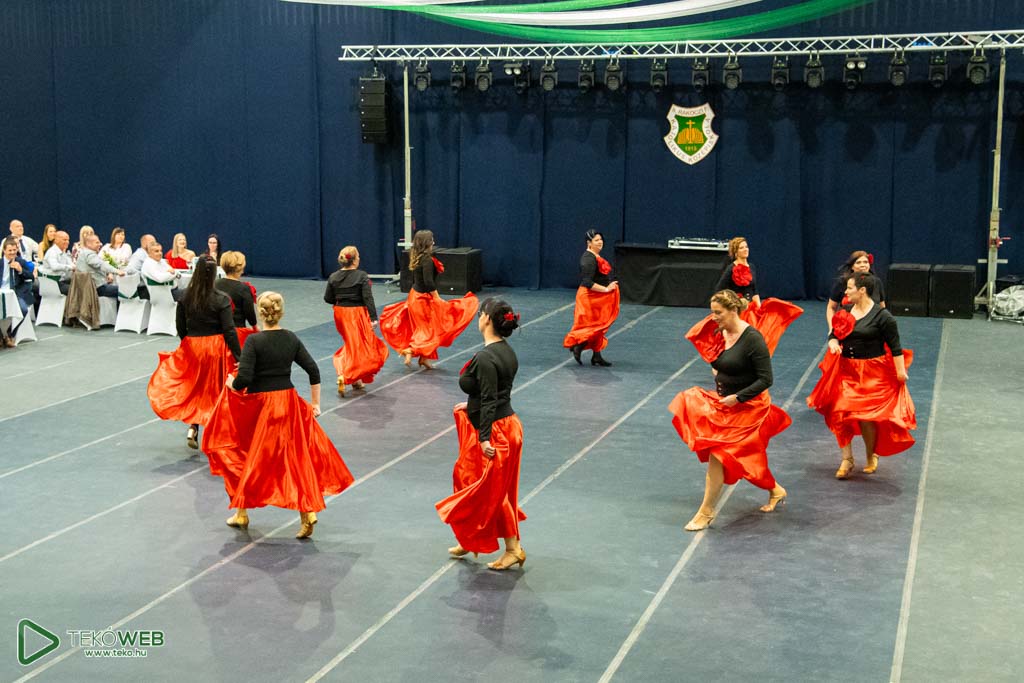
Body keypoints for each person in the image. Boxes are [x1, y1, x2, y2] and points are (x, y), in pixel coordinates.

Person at [202, 292, 355, 539]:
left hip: (262, 407)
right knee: (296, 459)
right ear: (280, 312)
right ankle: (303, 511)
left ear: (261, 313)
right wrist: (316, 404)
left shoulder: (254, 342)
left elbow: (244, 379)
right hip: (289, 403)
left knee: (246, 456)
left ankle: (245, 512)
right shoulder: (291, 338)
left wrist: (231, 382)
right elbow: (313, 370)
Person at [668, 290, 790, 532]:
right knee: (744, 461)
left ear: (733, 310)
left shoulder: (753, 339)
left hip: (748, 407)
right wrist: (721, 374)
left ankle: (705, 512)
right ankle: (776, 490)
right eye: (712, 312)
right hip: (724, 404)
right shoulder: (720, 333)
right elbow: (717, 361)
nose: (714, 317)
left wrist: (739, 397)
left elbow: (766, 379)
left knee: (719, 456)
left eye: (718, 313)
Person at [436, 298, 526, 570]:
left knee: (492, 491)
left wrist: (485, 438)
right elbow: (495, 392)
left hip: (495, 432)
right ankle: (471, 536)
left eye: (480, 314)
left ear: (486, 319)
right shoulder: (506, 351)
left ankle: (513, 549)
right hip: (506, 424)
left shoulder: (486, 358)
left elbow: (489, 399)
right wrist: (471, 405)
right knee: (470, 481)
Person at [808, 272, 916, 478]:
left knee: (866, 418)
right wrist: (833, 343)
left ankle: (870, 454)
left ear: (862, 290)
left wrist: (900, 373)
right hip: (846, 370)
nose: (846, 292)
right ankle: (847, 459)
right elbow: (834, 335)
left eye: (849, 288)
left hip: (872, 373)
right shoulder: (845, 312)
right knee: (839, 412)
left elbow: (895, 347)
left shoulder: (883, 317)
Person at [147, 257, 241, 450]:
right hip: (215, 347)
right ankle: (218, 433)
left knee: (195, 389)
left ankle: (193, 427)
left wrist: (187, 345)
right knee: (215, 391)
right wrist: (239, 356)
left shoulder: (185, 296)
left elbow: (180, 326)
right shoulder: (221, 298)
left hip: (193, 346)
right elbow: (229, 330)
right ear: (214, 274)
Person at [380, 230, 478, 369]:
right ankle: (411, 350)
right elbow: (428, 282)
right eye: (432, 240)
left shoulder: (417, 257)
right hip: (421, 299)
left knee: (428, 327)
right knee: (429, 329)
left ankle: (424, 358)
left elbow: (416, 280)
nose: (434, 242)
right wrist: (437, 297)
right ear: (427, 243)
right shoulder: (427, 260)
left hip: (416, 296)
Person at [324, 246, 388, 395]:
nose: (359, 259)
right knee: (364, 346)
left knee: (352, 344)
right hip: (356, 314)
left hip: (340, 313)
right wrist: (373, 318)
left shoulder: (333, 276)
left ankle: (355, 379)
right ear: (354, 261)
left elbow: (328, 298)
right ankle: (346, 375)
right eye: (358, 256)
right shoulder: (361, 276)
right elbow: (368, 298)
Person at [563, 229, 620, 366]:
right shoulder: (588, 259)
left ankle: (596, 356)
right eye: (596, 240)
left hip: (598, 298)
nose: (600, 242)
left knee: (600, 326)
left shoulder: (594, 256)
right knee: (591, 327)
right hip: (589, 298)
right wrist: (606, 289)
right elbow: (587, 283)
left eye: (601, 240)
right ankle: (578, 346)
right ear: (589, 243)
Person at [826, 250, 886, 330]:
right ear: (852, 266)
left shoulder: (877, 282)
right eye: (858, 262)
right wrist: (832, 328)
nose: (863, 265)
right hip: (847, 328)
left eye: (865, 262)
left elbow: (882, 308)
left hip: (872, 328)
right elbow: (831, 307)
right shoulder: (841, 283)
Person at [215, 251, 259, 346]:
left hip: (217, 331)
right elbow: (249, 312)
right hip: (237, 331)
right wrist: (255, 327)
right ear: (241, 268)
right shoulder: (244, 288)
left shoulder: (215, 284)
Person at [1, 236, 35, 346]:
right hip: (1, 293)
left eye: (14, 250)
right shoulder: (0, 263)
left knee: (23, 309)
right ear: (4, 250)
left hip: (16, 293)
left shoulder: (21, 261)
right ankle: (1, 335)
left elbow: (31, 277)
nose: (12, 253)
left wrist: (20, 270)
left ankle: (10, 335)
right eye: (10, 250)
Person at [713, 236, 761, 307]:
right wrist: (731, 303)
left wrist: (759, 308)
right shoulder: (731, 268)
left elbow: (755, 291)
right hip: (737, 307)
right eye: (741, 248)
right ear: (736, 252)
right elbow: (719, 290)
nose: (745, 249)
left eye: (746, 247)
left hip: (751, 307)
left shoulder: (752, 267)